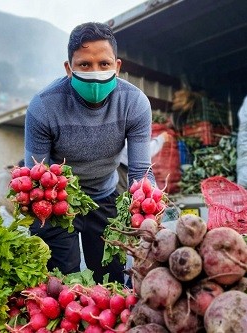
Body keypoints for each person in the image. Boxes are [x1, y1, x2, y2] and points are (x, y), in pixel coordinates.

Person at [24, 22, 156, 284]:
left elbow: (141, 172)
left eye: (104, 64)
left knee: (112, 280)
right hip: (58, 202)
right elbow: (38, 177)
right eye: (84, 65)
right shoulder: (43, 106)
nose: (96, 73)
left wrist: (146, 208)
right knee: (61, 282)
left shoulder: (135, 103)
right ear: (68, 69)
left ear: (117, 67)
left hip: (105, 196)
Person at [0, 160, 24, 227]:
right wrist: (17, 215)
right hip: (4, 213)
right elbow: (5, 198)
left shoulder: (4, 175)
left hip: (1, 212)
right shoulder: (6, 177)